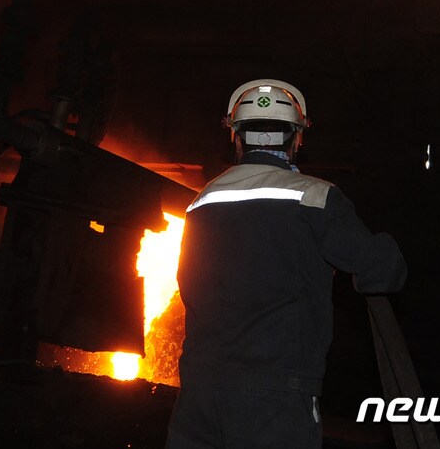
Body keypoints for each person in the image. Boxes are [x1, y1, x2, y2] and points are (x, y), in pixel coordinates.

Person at [166, 79, 407, 449]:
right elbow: (381, 271)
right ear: (297, 138)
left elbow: (190, 287)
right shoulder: (315, 197)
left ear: (236, 137)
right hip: (275, 393)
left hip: (199, 396)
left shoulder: (200, 203)